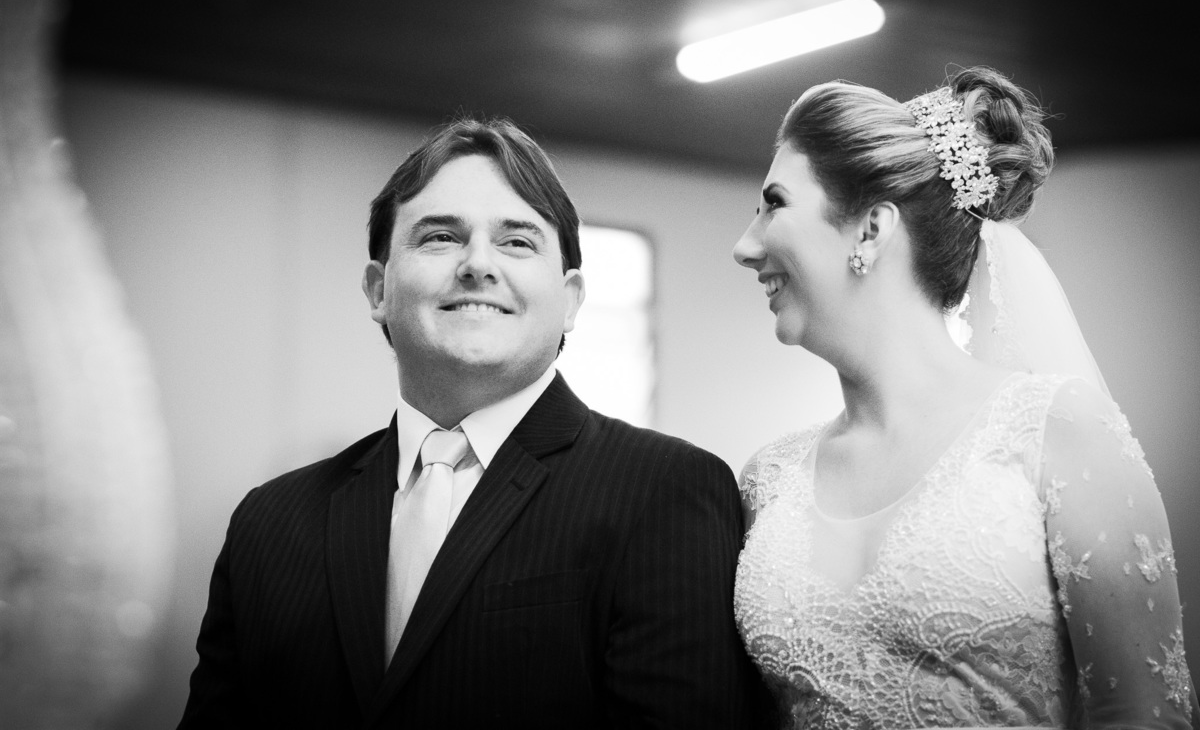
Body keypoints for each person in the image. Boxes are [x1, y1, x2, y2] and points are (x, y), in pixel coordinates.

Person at [178, 117, 764, 728]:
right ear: (378, 289)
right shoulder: (268, 523)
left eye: (517, 241)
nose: (478, 265)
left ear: (570, 301)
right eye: (439, 237)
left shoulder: (666, 490)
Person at [731, 67, 1195, 726]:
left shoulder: (1055, 433)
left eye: (773, 203)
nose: (744, 246)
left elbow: (1142, 712)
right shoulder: (768, 479)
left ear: (870, 230)